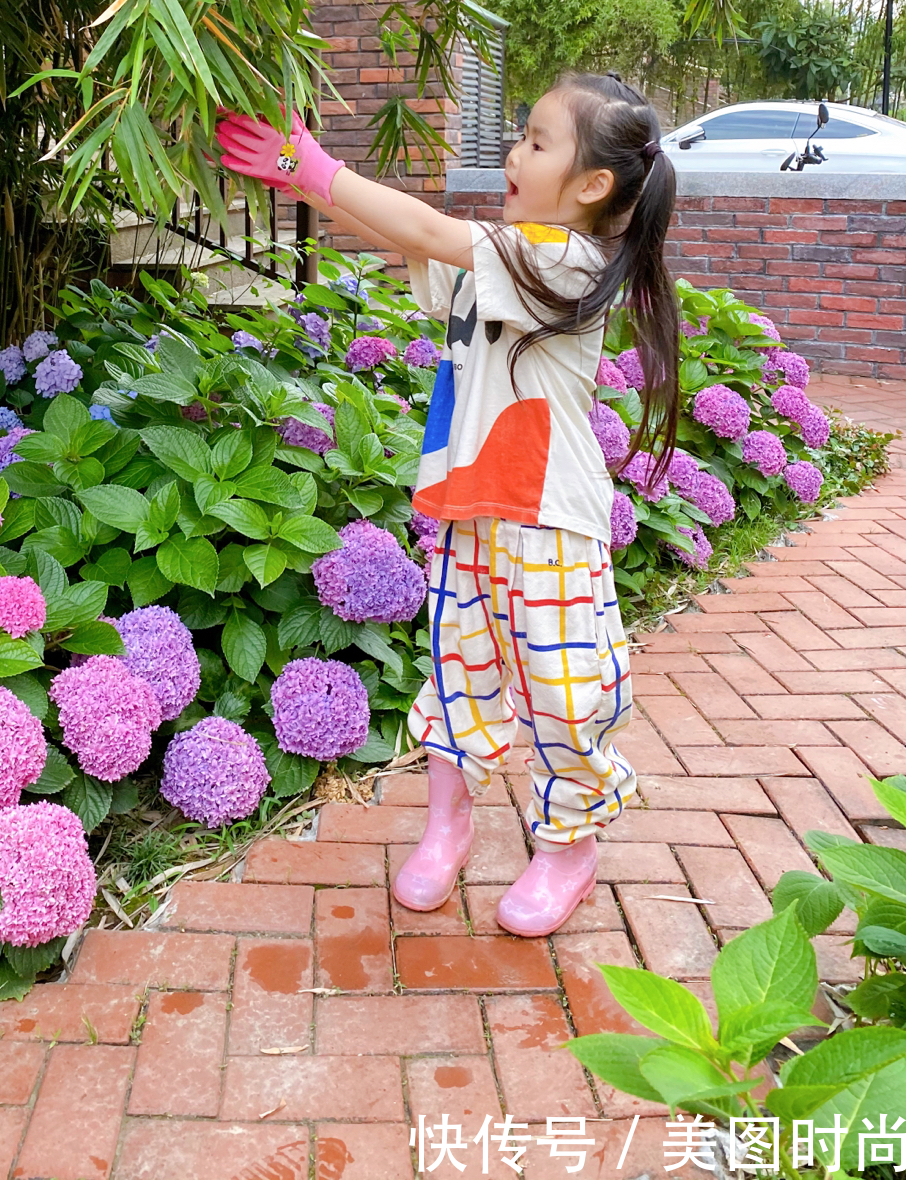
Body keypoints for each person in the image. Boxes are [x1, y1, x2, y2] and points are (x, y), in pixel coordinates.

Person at [215, 72, 679, 935]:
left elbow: (429, 228)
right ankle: (446, 825)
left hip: (549, 523)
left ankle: (567, 850)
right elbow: (415, 242)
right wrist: (300, 179)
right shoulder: (508, 251)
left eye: (536, 142)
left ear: (591, 186)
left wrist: (314, 168)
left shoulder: (563, 262)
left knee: (564, 694)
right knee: (455, 674)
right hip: (473, 511)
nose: (512, 152)